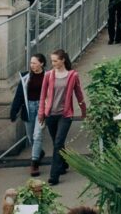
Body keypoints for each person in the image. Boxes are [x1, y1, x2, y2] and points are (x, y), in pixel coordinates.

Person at [37, 49, 87, 186]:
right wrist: (41, 113)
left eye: (55, 61)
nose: (52, 63)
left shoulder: (72, 76)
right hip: (51, 115)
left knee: (58, 143)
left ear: (62, 60)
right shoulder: (48, 75)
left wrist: (84, 110)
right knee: (57, 143)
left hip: (65, 115)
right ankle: (64, 163)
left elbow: (79, 94)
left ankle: (54, 175)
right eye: (52, 61)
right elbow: (42, 96)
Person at [9, 53, 46, 176]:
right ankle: (39, 152)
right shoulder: (25, 77)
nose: (32, 65)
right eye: (31, 63)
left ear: (41, 63)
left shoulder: (47, 76)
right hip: (28, 107)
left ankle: (34, 163)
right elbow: (19, 94)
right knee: (31, 136)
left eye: (34, 63)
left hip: (41, 107)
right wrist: (14, 111)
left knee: (37, 135)